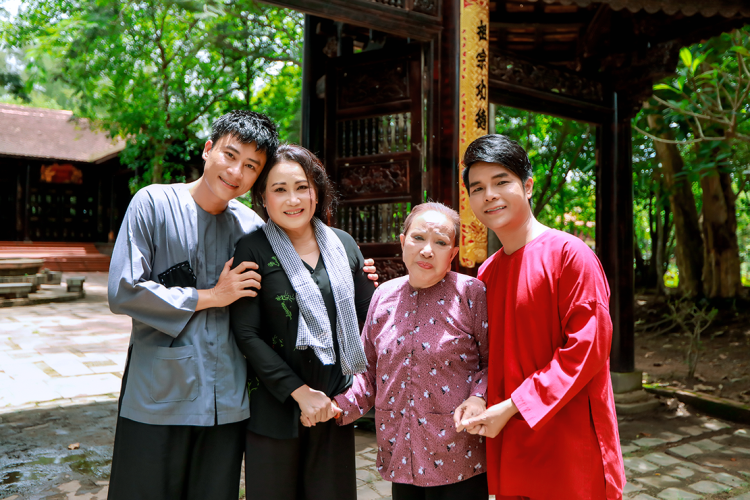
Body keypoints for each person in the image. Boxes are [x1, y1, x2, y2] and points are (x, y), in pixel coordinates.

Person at [107, 112, 377, 500]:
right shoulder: (153, 203)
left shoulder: (250, 226)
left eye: (251, 165)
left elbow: (297, 283)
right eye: (230, 155)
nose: (236, 172)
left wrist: (349, 277)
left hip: (227, 401)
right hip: (159, 394)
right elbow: (123, 290)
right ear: (208, 149)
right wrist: (212, 296)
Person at [457, 134, 626, 500]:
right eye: (478, 188)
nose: (489, 195)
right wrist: (479, 399)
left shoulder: (570, 255)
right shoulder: (487, 274)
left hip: (568, 441)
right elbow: (483, 355)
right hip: (510, 436)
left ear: (528, 186)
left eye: (501, 182)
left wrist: (514, 405)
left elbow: (586, 351)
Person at [229, 144, 375, 500]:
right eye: (279, 189)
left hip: (334, 408)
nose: (293, 199)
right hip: (275, 410)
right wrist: (300, 393)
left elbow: (369, 320)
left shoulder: (343, 245)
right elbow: (246, 333)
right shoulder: (252, 248)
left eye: (301, 187)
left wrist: (346, 397)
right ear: (263, 197)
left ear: (316, 191)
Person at [331, 202, 490, 500]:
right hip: (400, 452)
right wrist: (337, 407)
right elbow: (367, 372)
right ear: (403, 243)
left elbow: (492, 363)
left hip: (458, 455)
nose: (427, 250)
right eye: (418, 238)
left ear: (452, 254)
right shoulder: (383, 295)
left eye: (440, 242)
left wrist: (479, 397)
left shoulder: (472, 293)